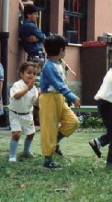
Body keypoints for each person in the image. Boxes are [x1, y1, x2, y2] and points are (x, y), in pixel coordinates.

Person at [39, 34, 80, 170]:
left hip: (58, 98)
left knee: (72, 122)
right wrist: (72, 96)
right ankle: (48, 160)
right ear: (61, 50)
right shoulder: (49, 66)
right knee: (49, 128)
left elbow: (62, 83)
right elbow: (58, 84)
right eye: (65, 49)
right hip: (49, 98)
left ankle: (54, 142)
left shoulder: (58, 64)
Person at [8, 62, 38, 163]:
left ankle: (26, 150)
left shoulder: (34, 89)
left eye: (34, 74)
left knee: (31, 134)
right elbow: (16, 96)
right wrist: (27, 88)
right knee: (16, 134)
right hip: (15, 114)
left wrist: (41, 94)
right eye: (29, 73)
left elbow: (35, 102)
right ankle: (12, 154)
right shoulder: (17, 85)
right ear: (21, 74)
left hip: (27, 114)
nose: (32, 75)